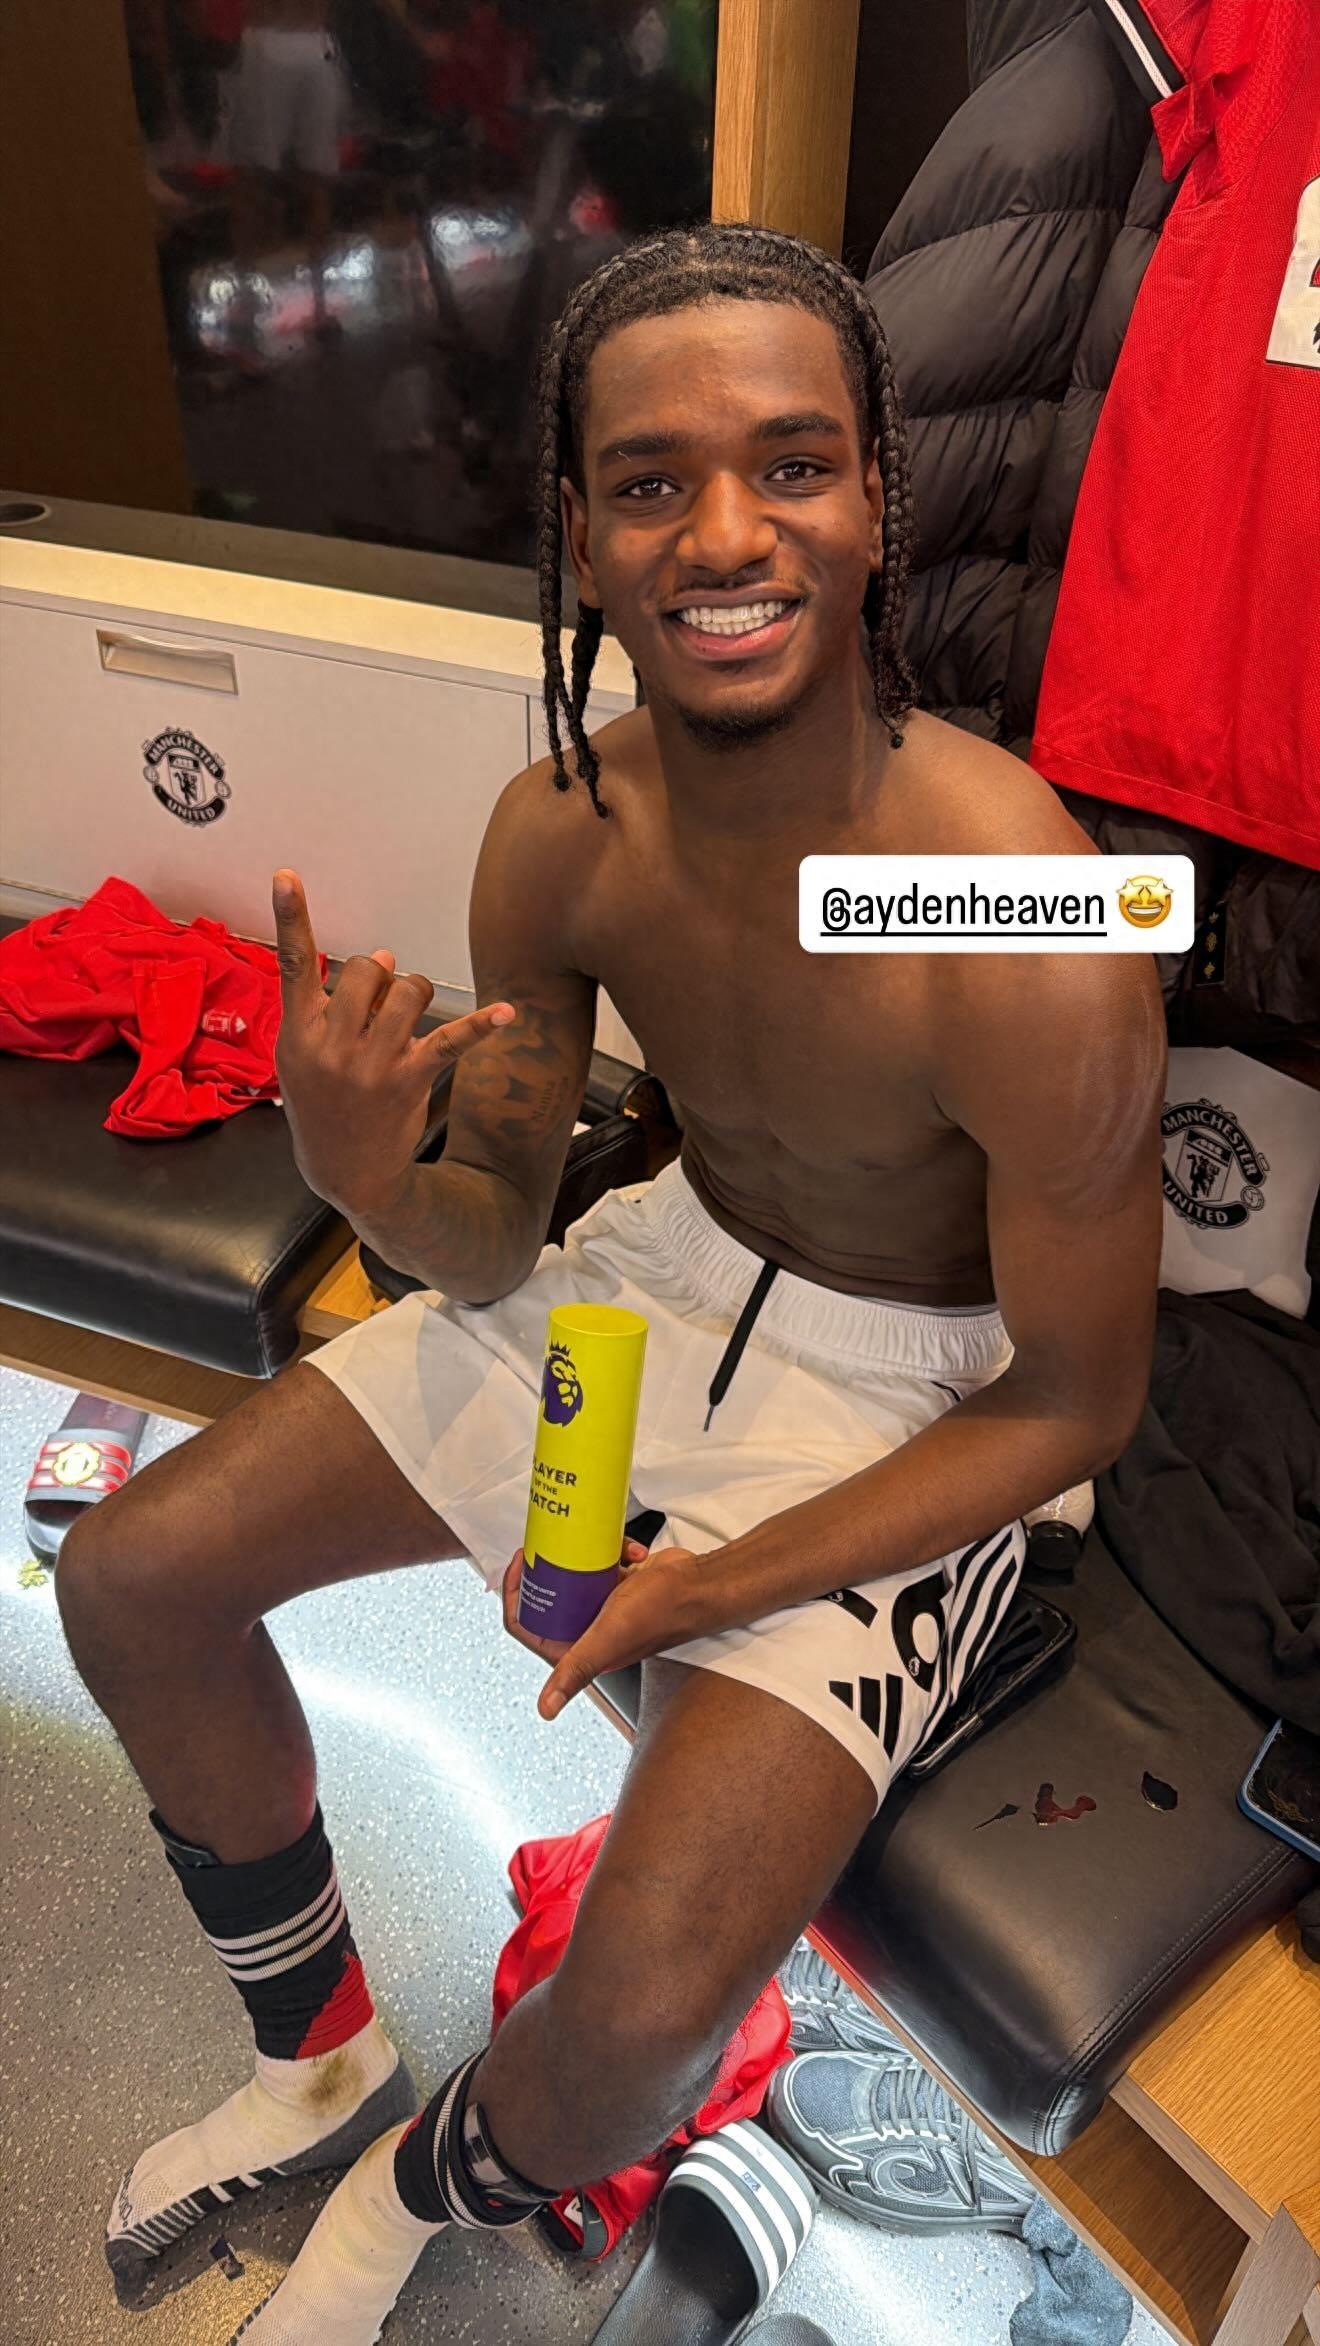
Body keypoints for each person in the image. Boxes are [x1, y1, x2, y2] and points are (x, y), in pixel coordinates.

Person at [56, 222, 1165, 2344]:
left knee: (643, 2014)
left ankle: (402, 2193)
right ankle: (315, 2063)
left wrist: (715, 1585)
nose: (725, 536)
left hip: (931, 1394)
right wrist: (359, 1167)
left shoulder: (1013, 901)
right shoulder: (560, 830)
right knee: (128, 1577)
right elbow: (490, 1229)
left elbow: (1077, 1401)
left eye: (792, 465)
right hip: (658, 1275)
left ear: (877, 500)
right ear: (581, 533)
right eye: (653, 482)